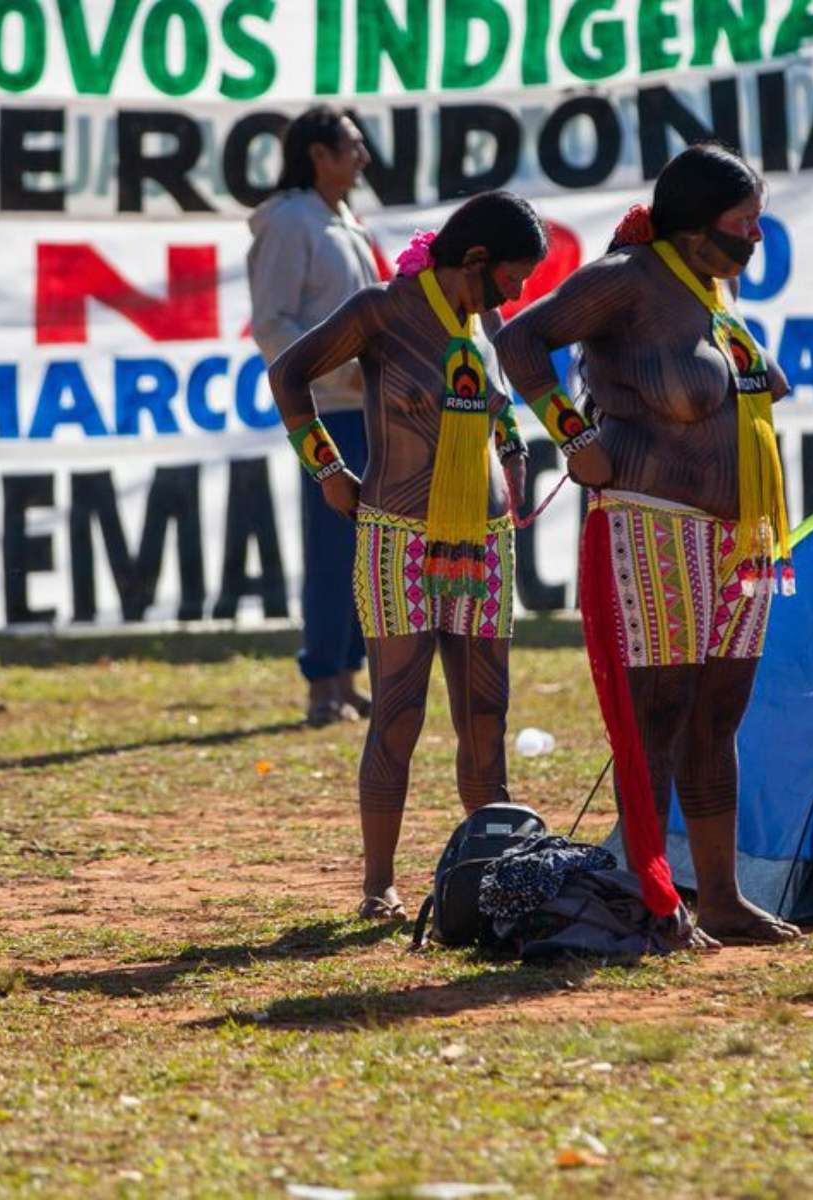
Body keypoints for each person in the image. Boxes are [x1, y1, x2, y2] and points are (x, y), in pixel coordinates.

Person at [495, 143, 801, 945]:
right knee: (659, 715)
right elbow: (521, 341)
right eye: (744, 222)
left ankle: (724, 899)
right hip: (651, 522)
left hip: (740, 537)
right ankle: (654, 900)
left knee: (718, 716)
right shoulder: (626, 280)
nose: (756, 236)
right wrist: (571, 434)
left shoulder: (710, 296)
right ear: (698, 226)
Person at [268, 191, 544, 919]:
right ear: (475, 259)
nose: (515, 294)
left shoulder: (482, 321)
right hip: (399, 537)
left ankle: (493, 873)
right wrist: (327, 469)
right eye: (511, 279)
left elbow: (501, 405)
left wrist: (514, 461)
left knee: (486, 713)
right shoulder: (380, 312)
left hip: (485, 541)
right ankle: (379, 884)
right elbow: (288, 374)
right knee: (398, 711)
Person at [248, 105, 381, 727]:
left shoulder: (345, 221)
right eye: (351, 145)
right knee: (332, 545)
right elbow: (275, 325)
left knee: (367, 547)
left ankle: (348, 674)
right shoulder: (291, 222)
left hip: (369, 409)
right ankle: (320, 682)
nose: (363, 156)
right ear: (319, 155)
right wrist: (333, 374)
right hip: (323, 411)